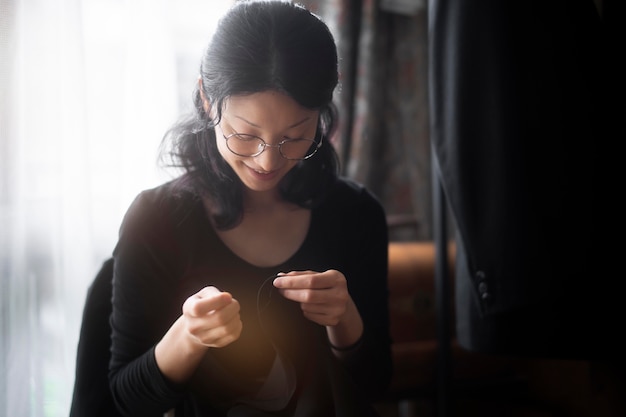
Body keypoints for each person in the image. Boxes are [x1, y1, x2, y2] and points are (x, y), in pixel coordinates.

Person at [104, 1, 392, 416]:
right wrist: (188, 335)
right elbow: (126, 400)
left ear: (322, 114)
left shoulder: (356, 215)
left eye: (295, 136)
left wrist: (344, 319)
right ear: (206, 98)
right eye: (244, 135)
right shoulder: (157, 220)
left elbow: (377, 385)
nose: (268, 161)